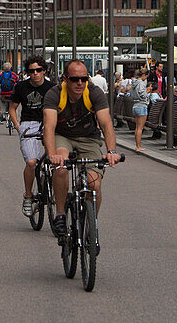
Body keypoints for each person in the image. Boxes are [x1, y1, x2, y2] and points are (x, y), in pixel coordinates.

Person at [43, 59, 120, 239]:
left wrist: (112, 151)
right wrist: (51, 154)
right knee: (61, 166)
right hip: (63, 136)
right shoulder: (54, 94)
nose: (80, 83)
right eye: (75, 79)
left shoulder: (94, 93)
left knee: (94, 184)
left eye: (84, 79)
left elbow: (106, 124)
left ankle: (91, 224)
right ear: (65, 79)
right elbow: (49, 127)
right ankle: (61, 213)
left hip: (89, 139)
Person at [9, 55, 56, 216]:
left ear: (44, 71)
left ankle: (55, 193)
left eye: (38, 70)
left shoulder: (52, 87)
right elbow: (12, 108)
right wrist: (18, 126)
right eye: (31, 71)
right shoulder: (21, 87)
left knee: (58, 161)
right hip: (29, 124)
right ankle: (28, 195)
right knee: (31, 162)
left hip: (49, 122)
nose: (35, 74)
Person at [128, 68, 150, 151]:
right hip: (141, 105)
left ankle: (137, 145)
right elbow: (142, 93)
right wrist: (146, 93)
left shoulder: (134, 82)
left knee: (137, 127)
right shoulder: (141, 83)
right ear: (144, 75)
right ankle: (138, 146)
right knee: (140, 127)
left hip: (135, 104)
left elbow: (130, 93)